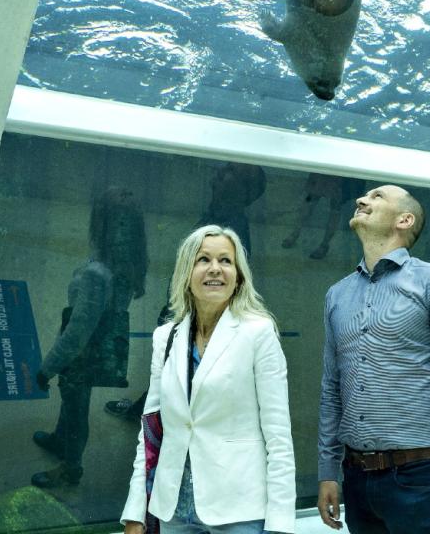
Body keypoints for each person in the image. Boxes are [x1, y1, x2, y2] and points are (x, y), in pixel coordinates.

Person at [317, 184, 430, 534]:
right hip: (356, 479)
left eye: (377, 196)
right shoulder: (337, 295)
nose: (362, 199)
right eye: (364, 195)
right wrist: (327, 472)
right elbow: (332, 389)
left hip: (422, 481)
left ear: (404, 220)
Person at [121, 225, 296, 534]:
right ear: (186, 272)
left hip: (238, 510)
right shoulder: (166, 337)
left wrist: (280, 522)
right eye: (203, 259)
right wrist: (136, 509)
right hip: (173, 508)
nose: (215, 269)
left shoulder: (258, 332)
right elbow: (149, 430)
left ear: (239, 275)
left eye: (226, 261)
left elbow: (278, 434)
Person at [104, 162, 267, 420]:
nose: (218, 173)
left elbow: (223, 290)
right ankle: (143, 412)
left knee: (177, 377)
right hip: (182, 312)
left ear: (243, 191)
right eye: (223, 169)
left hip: (191, 319)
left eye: (228, 173)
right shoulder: (216, 215)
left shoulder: (231, 229)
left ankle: (149, 419)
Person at [31, 187, 147, 488]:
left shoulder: (97, 274)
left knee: (75, 409)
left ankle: (71, 467)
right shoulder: (126, 268)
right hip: (102, 349)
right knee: (71, 402)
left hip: (80, 356)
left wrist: (49, 367)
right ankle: (60, 440)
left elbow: (78, 330)